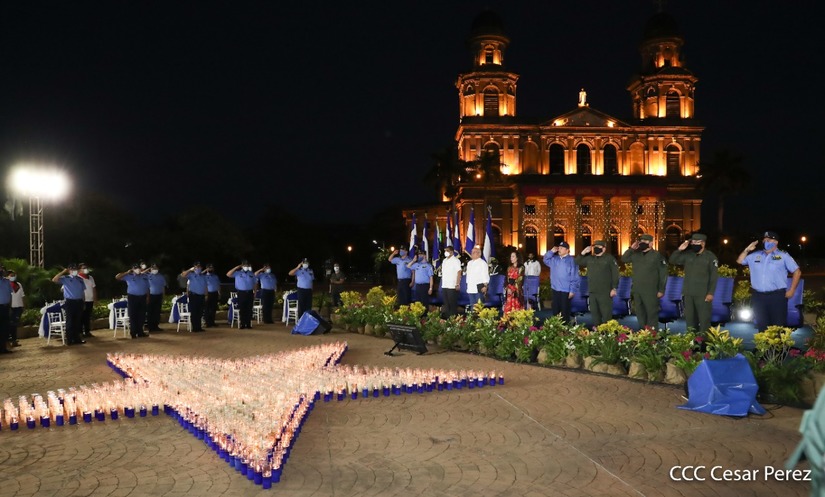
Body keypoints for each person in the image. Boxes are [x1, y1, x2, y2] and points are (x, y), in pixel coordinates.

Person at [737, 231, 802, 330]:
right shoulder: (755, 255)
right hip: (758, 297)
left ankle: (777, 341)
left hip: (777, 296)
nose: (766, 241)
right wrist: (747, 250)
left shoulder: (783, 256)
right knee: (762, 325)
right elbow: (739, 261)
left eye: (769, 240)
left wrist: (792, 290)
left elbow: (797, 272)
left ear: (776, 242)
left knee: (778, 326)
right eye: (764, 240)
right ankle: (763, 340)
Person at [670, 233, 719, 333]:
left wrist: (711, 293)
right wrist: (679, 250)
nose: (694, 244)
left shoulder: (710, 257)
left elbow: (714, 277)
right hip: (688, 293)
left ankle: (704, 341)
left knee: (704, 320)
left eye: (697, 242)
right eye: (693, 242)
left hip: (703, 294)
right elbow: (672, 260)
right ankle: (692, 341)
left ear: (703, 243)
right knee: (690, 321)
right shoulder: (688, 255)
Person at [621, 234, 668, 330]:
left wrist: (661, 290)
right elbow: (624, 259)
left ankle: (653, 335)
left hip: (651, 290)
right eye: (641, 241)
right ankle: (643, 333)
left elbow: (663, 274)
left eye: (645, 242)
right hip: (637, 290)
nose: (642, 243)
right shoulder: (636, 255)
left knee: (651, 314)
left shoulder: (657, 256)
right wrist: (631, 249)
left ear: (651, 243)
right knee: (640, 314)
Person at [576, 240, 619, 327]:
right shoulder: (590, 258)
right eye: (595, 247)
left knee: (606, 315)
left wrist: (614, 288)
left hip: (605, 292)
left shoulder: (609, 258)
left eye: (598, 247)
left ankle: (607, 332)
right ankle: (597, 332)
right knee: (595, 314)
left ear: (604, 249)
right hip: (592, 291)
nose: (596, 248)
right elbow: (577, 262)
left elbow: (615, 274)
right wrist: (583, 253)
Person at [543, 242, 580, 324]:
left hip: (566, 290)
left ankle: (565, 328)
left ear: (567, 250)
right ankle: (556, 327)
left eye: (562, 248)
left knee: (564, 311)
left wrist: (572, 290)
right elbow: (545, 260)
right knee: (555, 310)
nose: (559, 249)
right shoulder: (554, 259)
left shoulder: (572, 261)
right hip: (555, 289)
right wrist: (551, 252)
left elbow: (575, 276)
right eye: (559, 248)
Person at [53, 263, 88, 344]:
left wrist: (84, 302)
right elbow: (54, 279)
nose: (74, 271)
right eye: (72, 269)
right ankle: (69, 340)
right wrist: (63, 271)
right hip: (70, 302)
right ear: (69, 270)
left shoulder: (80, 279)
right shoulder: (66, 278)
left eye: (75, 269)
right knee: (70, 321)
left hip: (79, 301)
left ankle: (77, 339)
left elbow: (82, 292)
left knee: (77, 321)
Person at [227, 260, 257, 329]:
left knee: (249, 309)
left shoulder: (251, 273)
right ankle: (242, 324)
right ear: (242, 266)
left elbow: (255, 283)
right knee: (242, 308)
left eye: (247, 265)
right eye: (245, 265)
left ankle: (248, 324)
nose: (246, 266)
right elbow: (228, 274)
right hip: (241, 293)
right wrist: (236, 267)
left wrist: (255, 292)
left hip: (249, 293)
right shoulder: (237, 273)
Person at [439, 246, 462, 318]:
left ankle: (453, 319)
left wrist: (457, 283)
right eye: (445, 250)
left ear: (451, 252)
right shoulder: (444, 261)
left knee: (452, 304)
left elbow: (459, 272)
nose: (445, 252)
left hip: (452, 286)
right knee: (446, 304)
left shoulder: (456, 260)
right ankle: (447, 319)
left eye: (447, 250)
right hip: (445, 285)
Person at [78, 263, 97, 337]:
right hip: (82, 300)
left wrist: (95, 299)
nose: (85, 269)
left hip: (90, 300)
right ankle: (80, 332)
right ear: (79, 270)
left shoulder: (90, 277)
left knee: (87, 316)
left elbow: (94, 288)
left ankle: (87, 331)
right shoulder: (78, 278)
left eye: (86, 268)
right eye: (83, 268)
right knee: (81, 316)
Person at [146, 263, 167, 331]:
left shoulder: (161, 276)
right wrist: (147, 297)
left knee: (157, 311)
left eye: (156, 268)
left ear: (158, 269)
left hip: (159, 296)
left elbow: (163, 287)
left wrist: (163, 296)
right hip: (151, 296)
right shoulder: (147, 276)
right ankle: (150, 326)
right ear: (150, 269)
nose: (154, 269)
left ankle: (156, 326)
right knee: (150, 311)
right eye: (153, 268)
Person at [7, 270, 24, 347]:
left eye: (14, 275)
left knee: (15, 324)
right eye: (11, 275)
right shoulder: (7, 284)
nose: (13, 277)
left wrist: (23, 305)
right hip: (11, 307)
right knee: (10, 324)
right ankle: (10, 340)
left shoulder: (19, 284)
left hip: (19, 307)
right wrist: (9, 306)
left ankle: (14, 340)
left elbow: (22, 295)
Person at [203, 264, 221, 328]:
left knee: (213, 308)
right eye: (209, 268)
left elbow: (218, 285)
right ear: (207, 268)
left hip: (215, 293)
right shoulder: (204, 277)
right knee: (207, 309)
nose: (211, 269)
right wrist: (206, 295)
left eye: (212, 268)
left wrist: (219, 293)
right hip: (208, 294)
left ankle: (212, 322)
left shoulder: (215, 276)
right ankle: (207, 322)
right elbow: (204, 286)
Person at [0, 266, 12, 353]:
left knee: (5, 328)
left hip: (5, 307)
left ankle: (3, 348)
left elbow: (11, 293)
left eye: (1, 269)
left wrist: (10, 306)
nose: (1, 270)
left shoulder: (7, 281)